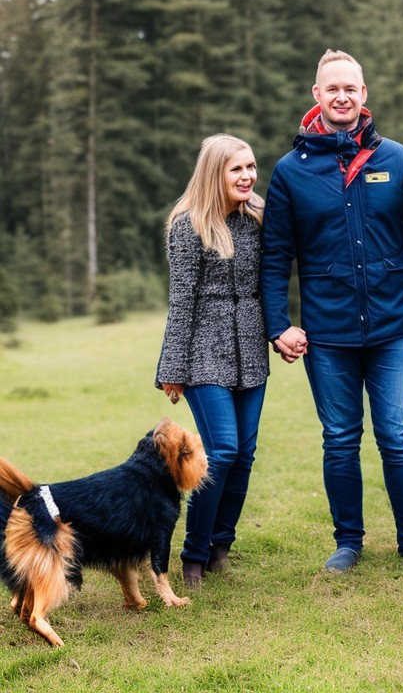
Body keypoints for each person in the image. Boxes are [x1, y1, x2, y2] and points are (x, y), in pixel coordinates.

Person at [261, 49, 403, 573]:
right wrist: (277, 324)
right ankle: (348, 543)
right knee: (340, 439)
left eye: (351, 88)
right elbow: (276, 254)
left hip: (394, 327)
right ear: (317, 96)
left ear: (364, 95)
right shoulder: (289, 172)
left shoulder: (397, 159)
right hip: (327, 335)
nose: (342, 96)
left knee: (397, 436)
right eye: (332, 89)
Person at [155, 133, 269, 588]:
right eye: (236, 169)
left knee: (245, 455)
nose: (247, 176)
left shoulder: (258, 219)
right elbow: (181, 300)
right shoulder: (188, 225)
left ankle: (222, 543)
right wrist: (173, 370)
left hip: (251, 352)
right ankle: (194, 555)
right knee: (221, 451)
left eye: (251, 167)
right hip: (204, 351)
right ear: (214, 173)